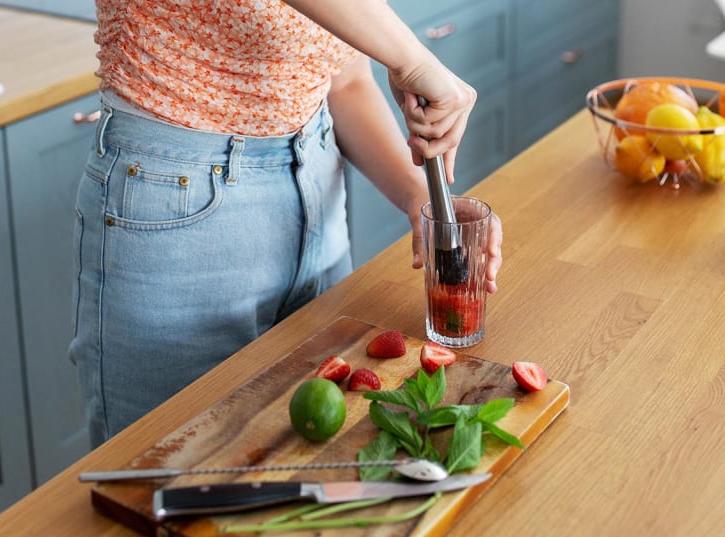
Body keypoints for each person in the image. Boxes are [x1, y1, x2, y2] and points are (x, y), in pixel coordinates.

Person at [70, 0, 503, 447]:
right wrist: (412, 58)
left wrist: (419, 197)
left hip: (316, 183)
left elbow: (345, 81)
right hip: (178, 204)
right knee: (163, 467)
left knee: (313, 450)